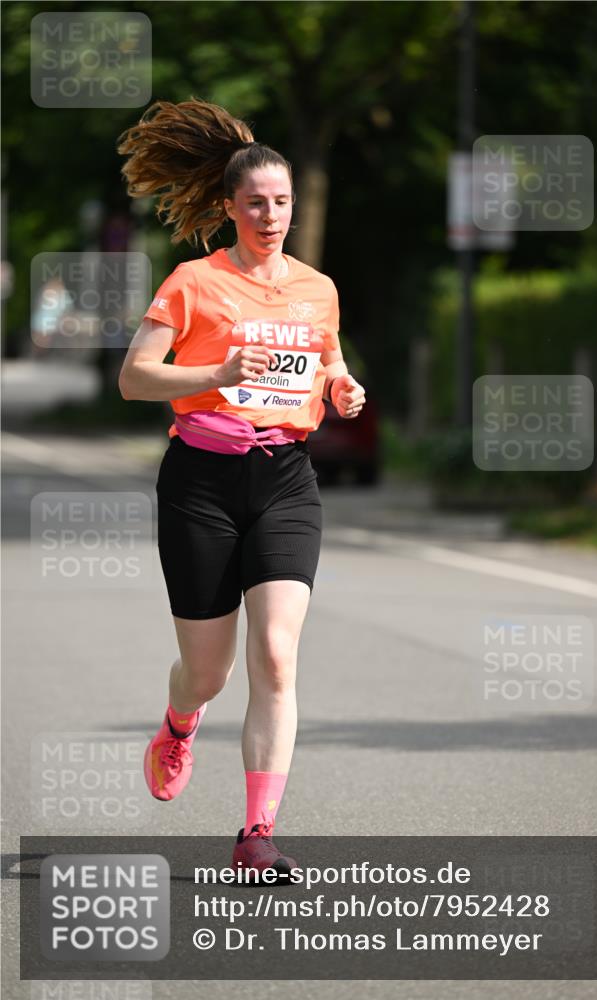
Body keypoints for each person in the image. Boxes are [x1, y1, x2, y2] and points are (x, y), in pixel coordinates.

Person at [116, 99, 366, 877]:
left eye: (282, 202)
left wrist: (342, 384)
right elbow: (133, 378)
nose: (270, 215)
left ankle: (256, 833)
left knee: (277, 654)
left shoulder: (316, 289)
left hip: (285, 478)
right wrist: (216, 373)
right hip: (201, 479)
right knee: (210, 671)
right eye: (255, 202)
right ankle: (181, 721)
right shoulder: (193, 283)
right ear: (228, 207)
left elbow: (324, 359)